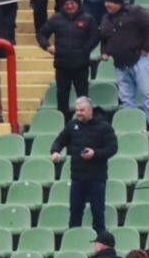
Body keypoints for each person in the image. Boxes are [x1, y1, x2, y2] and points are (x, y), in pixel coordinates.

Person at [50, 96, 118, 232]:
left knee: (98, 214)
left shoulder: (104, 127)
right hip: (77, 178)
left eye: (82, 110)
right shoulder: (72, 125)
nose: (79, 113)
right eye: (77, 110)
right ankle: (73, 245)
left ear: (90, 110)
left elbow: (113, 148)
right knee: (75, 214)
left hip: (96, 178)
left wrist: (95, 154)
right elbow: (60, 140)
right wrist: (55, 151)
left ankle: (100, 245)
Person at [99, 0, 149, 122]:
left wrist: (147, 47)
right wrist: (104, 51)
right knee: (126, 98)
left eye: (111, 2)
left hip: (139, 59)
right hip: (119, 63)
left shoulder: (135, 12)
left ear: (119, 2)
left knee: (147, 94)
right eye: (106, 1)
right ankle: (131, 124)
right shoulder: (106, 18)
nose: (107, 4)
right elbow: (104, 37)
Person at [38, 0, 97, 115]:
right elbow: (41, 34)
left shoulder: (87, 18)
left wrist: (85, 50)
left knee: (83, 97)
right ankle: (63, 123)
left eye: (72, 3)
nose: (69, 6)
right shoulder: (56, 18)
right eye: (67, 3)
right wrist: (47, 46)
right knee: (62, 97)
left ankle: (85, 121)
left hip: (81, 65)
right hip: (62, 65)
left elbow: (95, 37)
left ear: (77, 3)